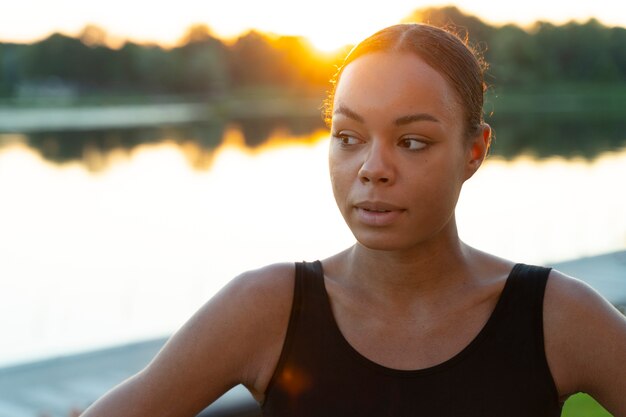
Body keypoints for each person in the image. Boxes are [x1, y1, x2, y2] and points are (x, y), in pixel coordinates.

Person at [81, 23, 626, 417]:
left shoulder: (556, 316)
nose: (372, 169)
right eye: (349, 137)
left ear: (474, 151)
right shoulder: (267, 307)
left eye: (412, 141)